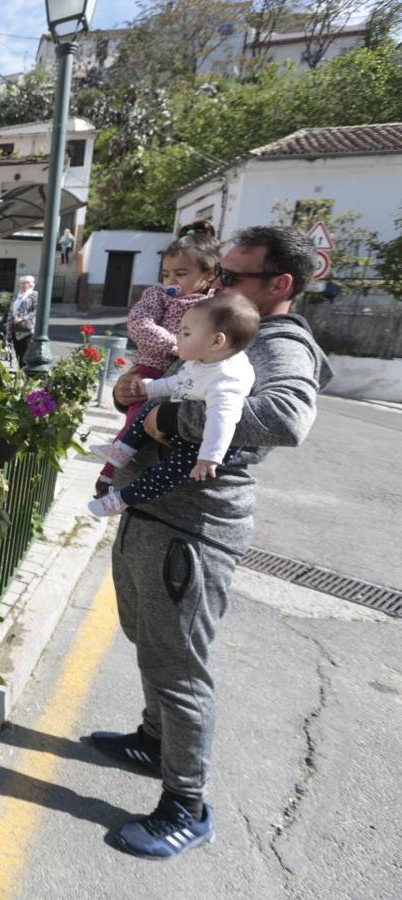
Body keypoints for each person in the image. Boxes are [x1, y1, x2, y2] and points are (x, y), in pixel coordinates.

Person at [93, 225, 332, 860]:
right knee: (149, 640)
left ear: (280, 285)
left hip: (191, 530)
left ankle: (186, 804)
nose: (212, 283)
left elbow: (284, 418)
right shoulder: (219, 321)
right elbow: (176, 378)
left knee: (178, 667)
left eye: (230, 276)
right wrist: (133, 394)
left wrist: (170, 417)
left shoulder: (279, 343)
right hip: (153, 512)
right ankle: (153, 740)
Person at [87, 291, 259, 517]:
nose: (177, 337)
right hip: (180, 425)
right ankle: (122, 450)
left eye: (186, 333)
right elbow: (179, 381)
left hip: (199, 445)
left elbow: (222, 421)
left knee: (167, 474)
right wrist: (150, 388)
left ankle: (122, 499)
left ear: (216, 341)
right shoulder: (203, 361)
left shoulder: (227, 380)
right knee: (150, 405)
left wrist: (210, 457)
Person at [95, 221, 220, 497]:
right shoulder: (158, 295)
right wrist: (176, 345)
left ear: (209, 274)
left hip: (188, 377)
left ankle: (140, 481)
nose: (171, 281)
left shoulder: (218, 303)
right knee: (136, 420)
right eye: (166, 274)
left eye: (181, 273)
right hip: (151, 366)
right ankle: (108, 474)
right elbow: (139, 322)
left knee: (160, 430)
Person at [9, 276, 38, 368]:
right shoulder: (17, 295)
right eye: (22, 283)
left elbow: (36, 311)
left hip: (27, 329)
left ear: (30, 284)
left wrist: (23, 318)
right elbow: (11, 310)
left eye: (25, 283)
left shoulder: (34, 294)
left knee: (25, 355)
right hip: (15, 328)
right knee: (18, 354)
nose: (23, 285)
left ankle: (26, 376)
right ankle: (20, 374)